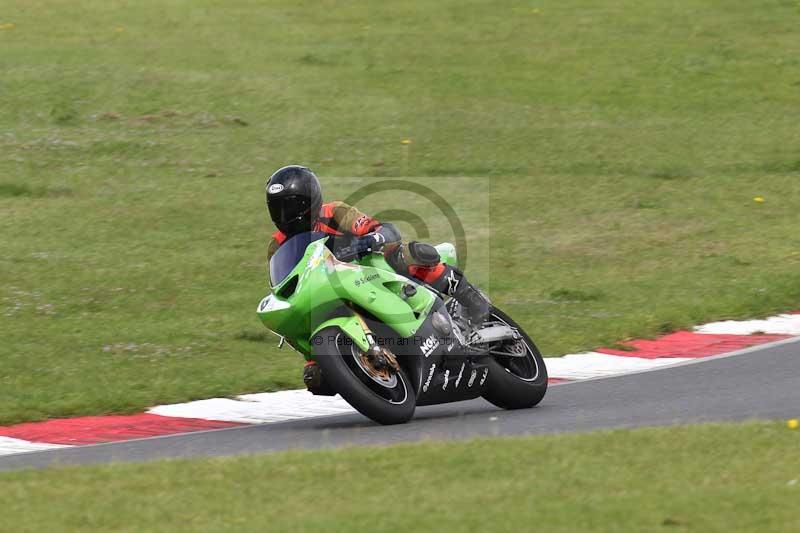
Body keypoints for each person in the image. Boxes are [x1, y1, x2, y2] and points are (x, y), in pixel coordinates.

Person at [265, 165, 490, 389]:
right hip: (327, 286)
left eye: (292, 205)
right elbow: (284, 284)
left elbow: (385, 229)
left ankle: (469, 296)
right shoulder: (277, 245)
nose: (285, 214)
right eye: (278, 208)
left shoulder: (334, 213)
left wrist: (371, 239)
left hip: (366, 268)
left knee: (402, 253)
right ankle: (322, 356)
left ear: (310, 200)